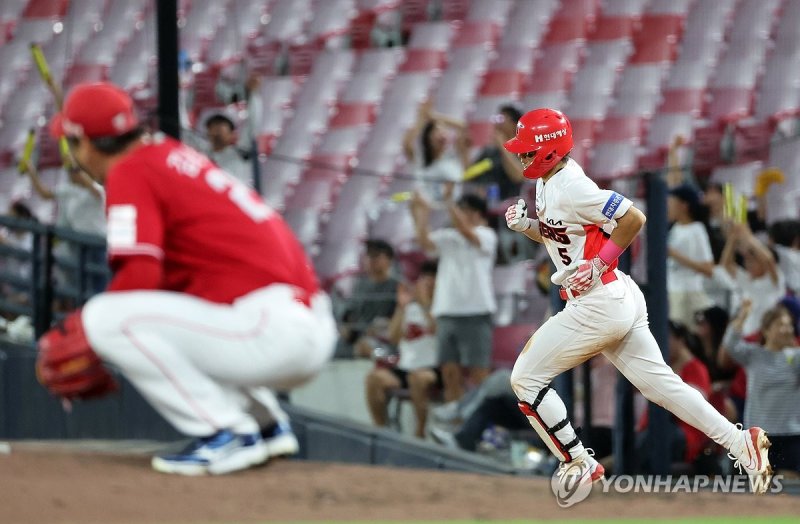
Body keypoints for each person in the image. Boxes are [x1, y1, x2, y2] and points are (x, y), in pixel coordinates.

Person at [50, 82, 336, 475]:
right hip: (301, 320)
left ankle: (227, 430)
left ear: (86, 144)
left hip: (271, 327)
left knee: (104, 317)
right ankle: (266, 425)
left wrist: (93, 339)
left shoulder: (130, 171)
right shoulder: (167, 155)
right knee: (175, 320)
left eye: (70, 143)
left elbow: (139, 276)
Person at [502, 107, 772, 493]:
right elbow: (562, 238)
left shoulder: (571, 186)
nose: (521, 156)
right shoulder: (549, 182)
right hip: (614, 296)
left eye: (527, 149)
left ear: (549, 149)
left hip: (598, 301)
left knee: (525, 378)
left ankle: (579, 461)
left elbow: (634, 218)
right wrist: (528, 226)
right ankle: (741, 444)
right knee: (663, 387)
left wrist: (598, 263)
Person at [410, 191, 497, 405]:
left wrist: (446, 202)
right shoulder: (449, 237)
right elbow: (424, 242)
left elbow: (467, 232)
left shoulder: (487, 235)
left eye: (465, 210)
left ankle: (481, 419)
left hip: (476, 312)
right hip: (446, 312)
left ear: (478, 214)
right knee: (449, 372)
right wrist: (422, 212)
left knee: (478, 373)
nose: (460, 215)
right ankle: (454, 419)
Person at [721, 301, 800, 476]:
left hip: (790, 435)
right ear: (766, 330)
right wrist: (742, 317)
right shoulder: (754, 355)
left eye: (789, 325)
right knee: (757, 490)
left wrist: (793, 346)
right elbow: (730, 345)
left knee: (790, 489)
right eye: (780, 325)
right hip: (757, 437)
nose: (786, 329)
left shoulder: (796, 357)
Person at [365, 260, 441, 438]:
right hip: (406, 366)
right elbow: (393, 336)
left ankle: (419, 433)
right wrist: (401, 307)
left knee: (418, 378)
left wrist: (424, 305)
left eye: (432, 280)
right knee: (374, 378)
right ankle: (381, 431)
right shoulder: (410, 308)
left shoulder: (442, 309)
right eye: (425, 280)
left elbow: (438, 330)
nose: (427, 285)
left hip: (432, 367)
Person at [637, 322, 713, 473]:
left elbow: (692, 404)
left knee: (657, 435)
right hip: (652, 433)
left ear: (680, 340)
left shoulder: (696, 368)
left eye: (666, 338)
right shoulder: (663, 367)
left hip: (685, 437)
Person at [335, 239, 399, 359]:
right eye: (368, 256)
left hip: (383, 340)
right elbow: (349, 314)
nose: (370, 260)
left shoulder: (397, 287)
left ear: (389, 259)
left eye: (376, 256)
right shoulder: (359, 285)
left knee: (367, 347)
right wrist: (347, 327)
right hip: (356, 338)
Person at [719, 222, 786, 335]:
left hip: (767, 334)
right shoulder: (747, 280)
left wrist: (748, 236)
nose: (747, 264)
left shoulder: (774, 280)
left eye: (752, 261)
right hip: (747, 334)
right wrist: (733, 239)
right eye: (747, 261)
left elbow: (768, 259)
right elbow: (726, 264)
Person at [666, 184, 714, 328]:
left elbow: (708, 269)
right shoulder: (674, 229)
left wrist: (675, 255)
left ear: (683, 205)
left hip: (688, 293)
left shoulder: (697, 230)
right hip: (672, 291)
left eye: (672, 203)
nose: (669, 207)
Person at [403, 99, 469, 203]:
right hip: (432, 207)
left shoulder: (453, 158)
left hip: (455, 208)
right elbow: (407, 144)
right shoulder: (421, 160)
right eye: (436, 131)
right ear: (428, 139)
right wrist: (421, 119)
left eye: (442, 130)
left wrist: (433, 116)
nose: (442, 133)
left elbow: (463, 127)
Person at [469, 104, 525, 201]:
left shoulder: (523, 150)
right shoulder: (490, 152)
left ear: (514, 124)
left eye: (502, 119)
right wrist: (463, 152)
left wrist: (503, 146)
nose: (497, 124)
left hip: (512, 206)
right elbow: (472, 174)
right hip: (488, 205)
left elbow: (518, 176)